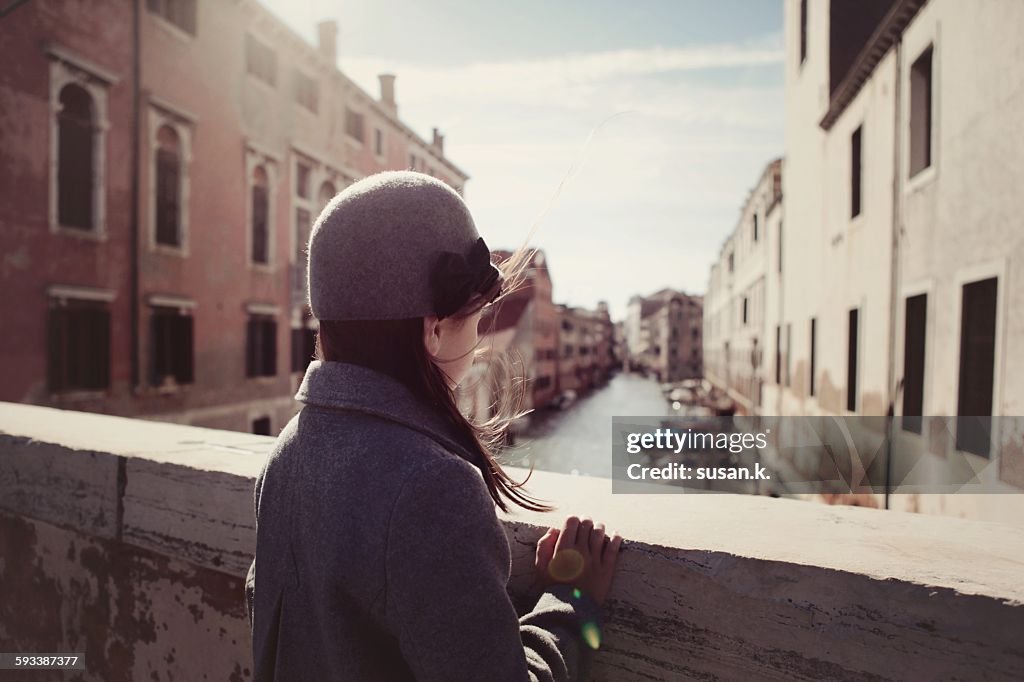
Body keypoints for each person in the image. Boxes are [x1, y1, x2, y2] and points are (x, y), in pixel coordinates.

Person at [245, 170, 623, 681]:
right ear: (435, 329)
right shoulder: (432, 488)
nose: (481, 332)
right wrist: (569, 598)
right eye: (476, 313)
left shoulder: (285, 455)